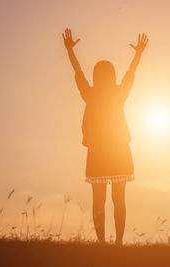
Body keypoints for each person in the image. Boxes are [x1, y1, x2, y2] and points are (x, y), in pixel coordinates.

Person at [62, 28, 148, 245]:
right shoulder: (119, 93)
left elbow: (78, 72)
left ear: (96, 77)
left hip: (99, 153)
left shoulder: (90, 94)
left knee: (98, 201)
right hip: (118, 151)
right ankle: (117, 242)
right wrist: (138, 54)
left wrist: (70, 51)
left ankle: (103, 243)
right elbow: (131, 73)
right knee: (119, 201)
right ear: (112, 76)